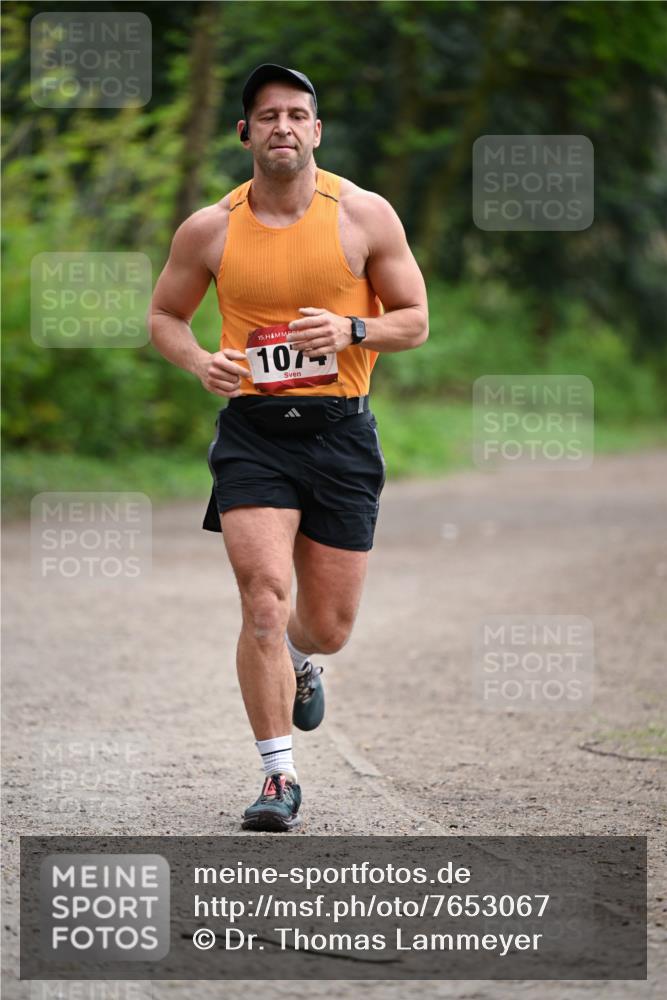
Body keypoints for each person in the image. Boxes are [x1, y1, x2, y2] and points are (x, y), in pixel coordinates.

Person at [150, 64, 428, 832]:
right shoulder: (210, 227)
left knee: (325, 624)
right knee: (263, 601)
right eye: (266, 115)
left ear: (315, 130)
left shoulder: (363, 216)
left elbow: (414, 319)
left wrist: (351, 330)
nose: (282, 126)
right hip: (253, 436)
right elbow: (165, 316)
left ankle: (305, 662)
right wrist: (198, 359)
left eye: (296, 114)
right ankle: (278, 777)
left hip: (341, 433)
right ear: (244, 133)